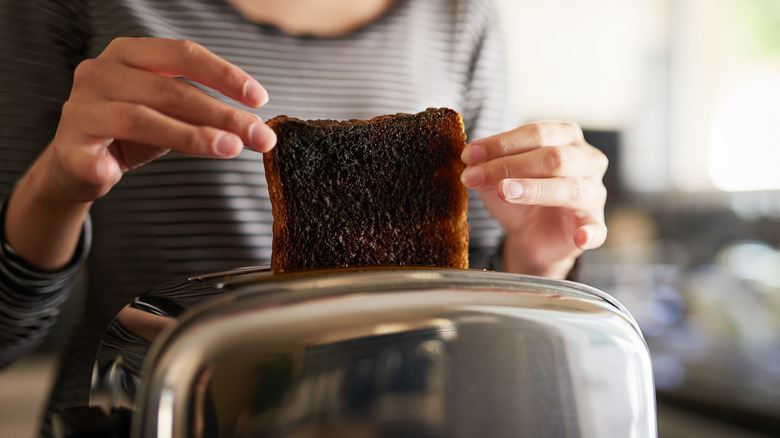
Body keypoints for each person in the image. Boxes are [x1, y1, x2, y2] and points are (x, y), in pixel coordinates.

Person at [0, 0, 608, 435]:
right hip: (149, 413)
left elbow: (473, 331)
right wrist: (57, 187)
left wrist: (534, 260)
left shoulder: (457, 14)